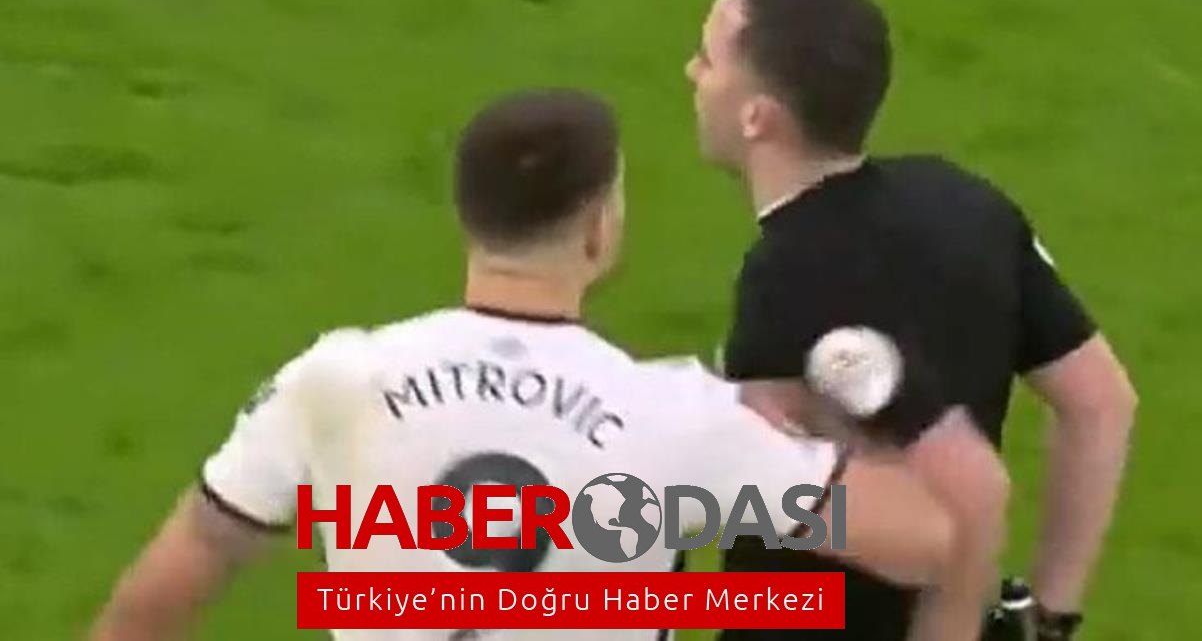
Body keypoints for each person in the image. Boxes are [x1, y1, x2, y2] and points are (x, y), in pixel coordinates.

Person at [89, 89, 972, 641]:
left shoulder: (336, 381)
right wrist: (843, 405)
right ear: (599, 231)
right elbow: (923, 542)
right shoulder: (679, 418)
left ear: (468, 214)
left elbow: (170, 581)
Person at [684, 0, 1138, 640]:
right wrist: (1046, 616)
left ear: (758, 117)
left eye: (709, 59)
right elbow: (1101, 403)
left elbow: (769, 495)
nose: (692, 73)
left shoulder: (784, 277)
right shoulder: (967, 204)